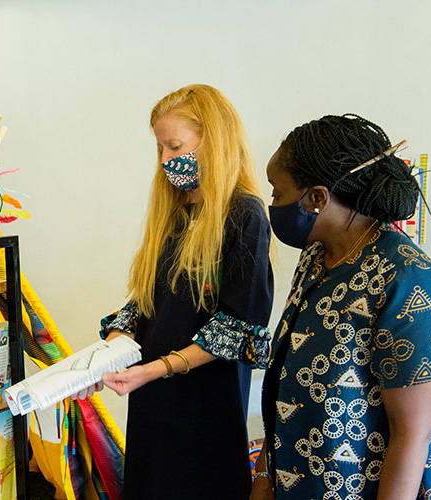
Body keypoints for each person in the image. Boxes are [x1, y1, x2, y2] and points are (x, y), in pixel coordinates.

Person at [254, 114, 431, 499]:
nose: (272, 205)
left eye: (277, 193)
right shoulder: (316, 259)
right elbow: (284, 377)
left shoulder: (405, 278)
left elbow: (414, 433)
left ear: (317, 198)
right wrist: (264, 481)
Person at [94, 84, 275, 500]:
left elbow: (235, 329)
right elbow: (147, 303)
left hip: (205, 410)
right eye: (160, 148)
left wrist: (154, 369)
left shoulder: (244, 215)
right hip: (152, 401)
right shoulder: (174, 213)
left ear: (214, 140)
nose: (164, 160)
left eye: (174, 147)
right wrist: (111, 348)